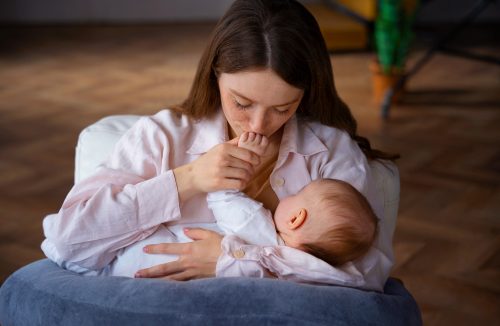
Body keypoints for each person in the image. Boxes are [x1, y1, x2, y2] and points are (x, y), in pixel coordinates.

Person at [41, 0, 398, 291]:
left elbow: (365, 276)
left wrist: (231, 263)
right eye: (242, 103)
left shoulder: (331, 152)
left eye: (282, 108)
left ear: (304, 96)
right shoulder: (162, 137)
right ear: (215, 74)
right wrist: (188, 180)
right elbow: (67, 242)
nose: (259, 125)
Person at [104, 132, 378, 279]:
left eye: (298, 193)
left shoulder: (257, 224)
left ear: (296, 219)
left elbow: (222, 198)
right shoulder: (314, 273)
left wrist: (244, 162)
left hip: (148, 261)